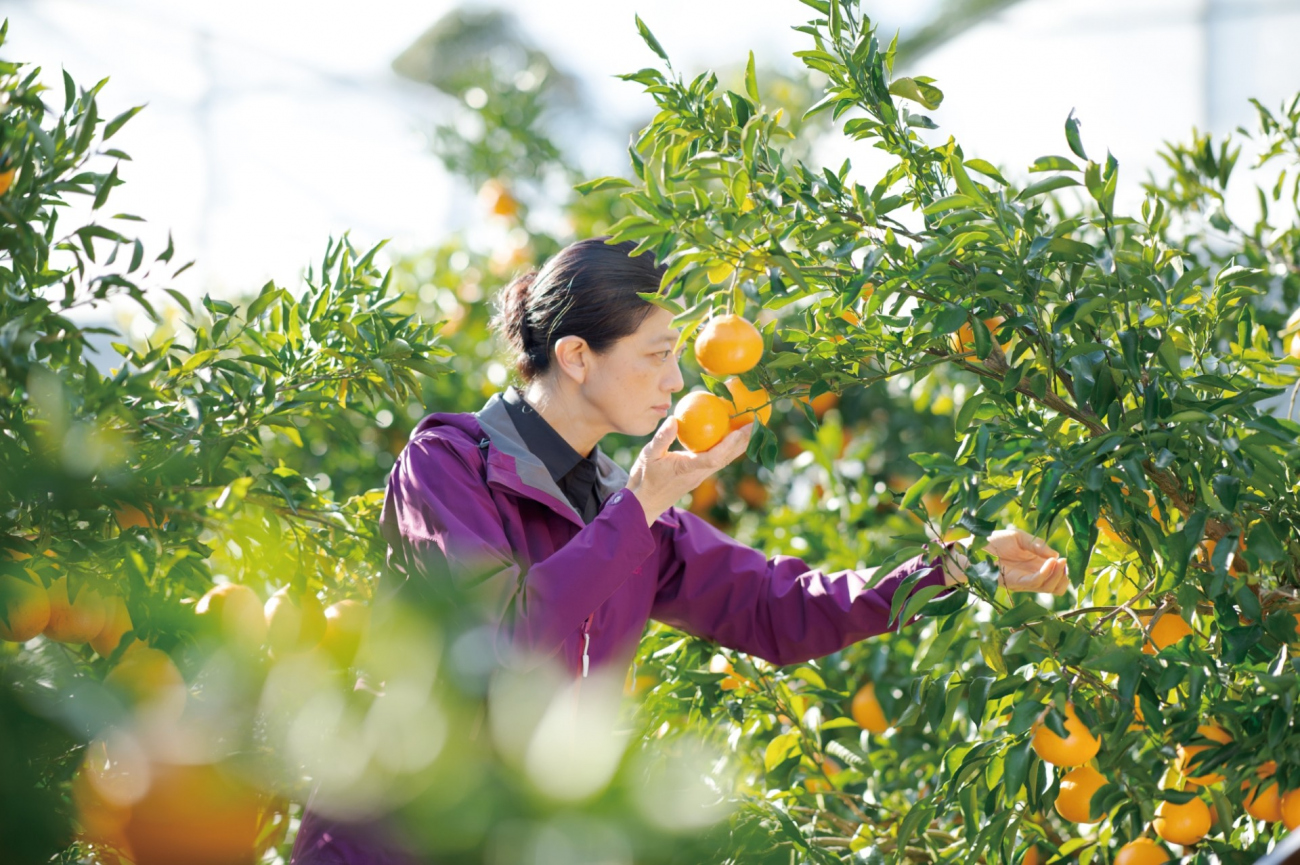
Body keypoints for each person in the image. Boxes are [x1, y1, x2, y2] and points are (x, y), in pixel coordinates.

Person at [290, 237, 1069, 864]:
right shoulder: (451, 463)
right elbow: (500, 640)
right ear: (575, 356)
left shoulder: (623, 504)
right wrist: (641, 504)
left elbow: (781, 610)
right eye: (656, 354)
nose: (678, 377)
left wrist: (951, 569)